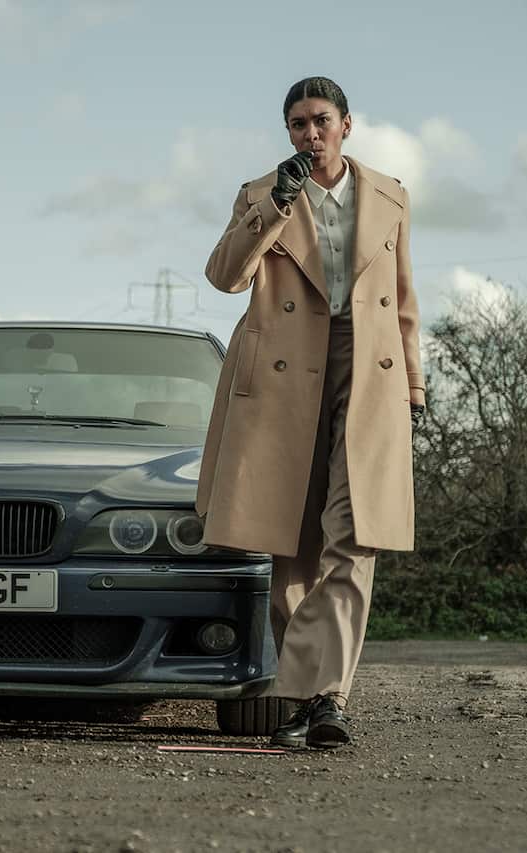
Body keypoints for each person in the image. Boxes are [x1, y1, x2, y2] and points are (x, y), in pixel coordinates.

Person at [195, 76, 424, 749]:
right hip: (283, 372)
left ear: (347, 124)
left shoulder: (390, 196)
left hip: (368, 368)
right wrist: (276, 204)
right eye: (297, 124)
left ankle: (328, 696)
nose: (310, 133)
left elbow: (404, 298)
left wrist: (414, 389)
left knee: (354, 535)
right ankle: (304, 701)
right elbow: (226, 276)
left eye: (321, 120)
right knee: (290, 547)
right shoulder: (261, 194)